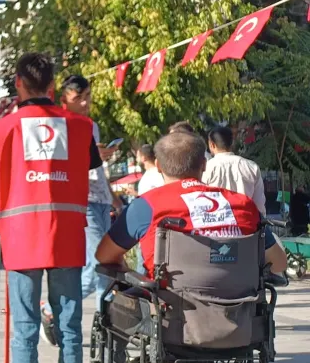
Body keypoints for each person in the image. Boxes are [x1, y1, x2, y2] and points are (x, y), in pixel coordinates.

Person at [0, 53, 102, 363]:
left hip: (20, 238)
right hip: (67, 235)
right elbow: (81, 174)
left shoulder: (1, 130)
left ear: (19, 83)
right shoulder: (81, 127)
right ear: (52, 86)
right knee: (69, 330)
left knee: (25, 330)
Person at [96, 131, 286, 276]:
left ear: (159, 166)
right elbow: (279, 263)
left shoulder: (146, 206)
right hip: (241, 317)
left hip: (170, 316)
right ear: (204, 164)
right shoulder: (243, 204)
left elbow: (104, 255)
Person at [59, 75, 122, 306]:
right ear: (65, 100)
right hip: (81, 200)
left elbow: (97, 169)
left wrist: (113, 197)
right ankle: (56, 310)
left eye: (88, 97)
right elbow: (62, 164)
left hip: (101, 199)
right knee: (99, 263)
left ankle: (102, 324)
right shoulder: (61, 124)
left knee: (101, 265)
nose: (85, 103)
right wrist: (91, 155)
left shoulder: (92, 125)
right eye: (79, 98)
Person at [202, 125, 267, 216]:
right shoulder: (251, 167)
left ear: (212, 145)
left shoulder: (206, 168)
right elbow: (259, 204)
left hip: (216, 225)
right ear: (232, 143)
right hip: (245, 225)